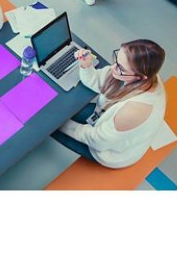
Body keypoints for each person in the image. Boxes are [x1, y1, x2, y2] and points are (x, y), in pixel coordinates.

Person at [52, 39, 166, 169]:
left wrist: (60, 123)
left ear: (140, 77)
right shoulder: (143, 73)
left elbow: (99, 142)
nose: (113, 68)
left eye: (121, 68)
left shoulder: (134, 111)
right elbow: (98, 80)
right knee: (60, 112)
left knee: (48, 125)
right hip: (105, 119)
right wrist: (86, 66)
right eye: (117, 58)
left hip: (109, 151)